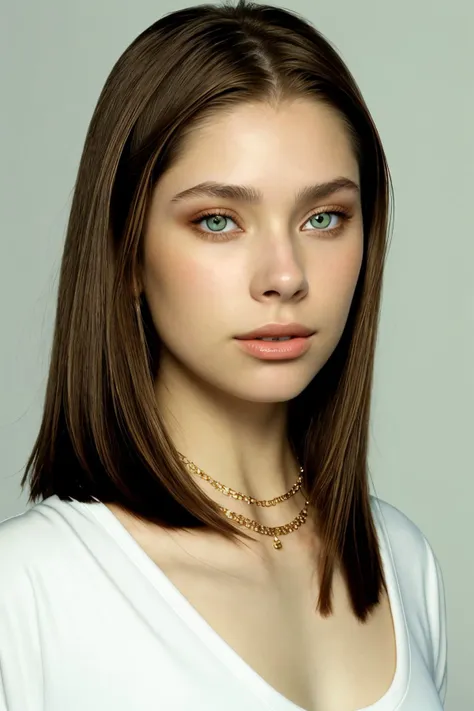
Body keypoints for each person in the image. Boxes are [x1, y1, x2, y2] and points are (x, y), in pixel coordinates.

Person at [0, 1, 447, 709]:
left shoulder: (403, 561)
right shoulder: (26, 591)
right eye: (218, 220)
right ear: (125, 253)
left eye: (324, 217)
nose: (285, 274)